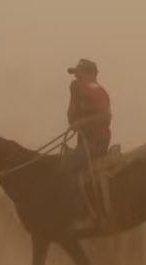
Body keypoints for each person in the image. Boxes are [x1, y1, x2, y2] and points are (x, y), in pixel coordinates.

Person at [62, 59, 113, 229]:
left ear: (90, 74)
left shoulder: (96, 90)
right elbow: (71, 120)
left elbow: (106, 116)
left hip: (97, 140)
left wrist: (82, 123)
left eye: (80, 73)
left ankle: (90, 213)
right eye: (76, 73)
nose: (76, 76)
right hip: (85, 141)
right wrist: (73, 95)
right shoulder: (80, 90)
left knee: (69, 168)